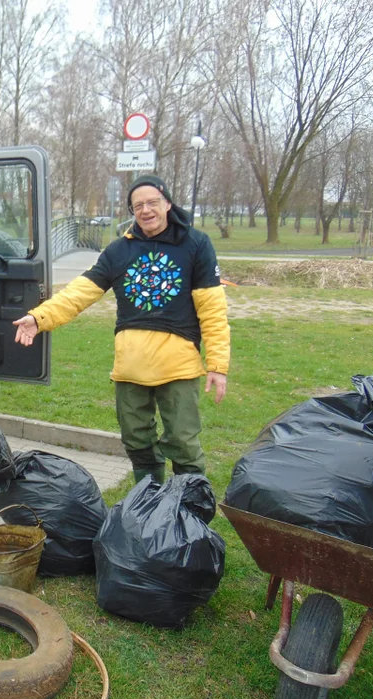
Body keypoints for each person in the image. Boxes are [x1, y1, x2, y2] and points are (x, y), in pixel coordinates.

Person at [14, 175, 230, 483]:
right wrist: (39, 318)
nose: (146, 210)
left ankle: (191, 510)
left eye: (152, 202)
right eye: (138, 205)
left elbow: (212, 310)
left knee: (183, 443)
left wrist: (218, 365)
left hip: (178, 367)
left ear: (167, 203)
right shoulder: (118, 252)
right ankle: (147, 502)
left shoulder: (195, 245)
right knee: (137, 442)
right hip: (130, 367)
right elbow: (79, 293)